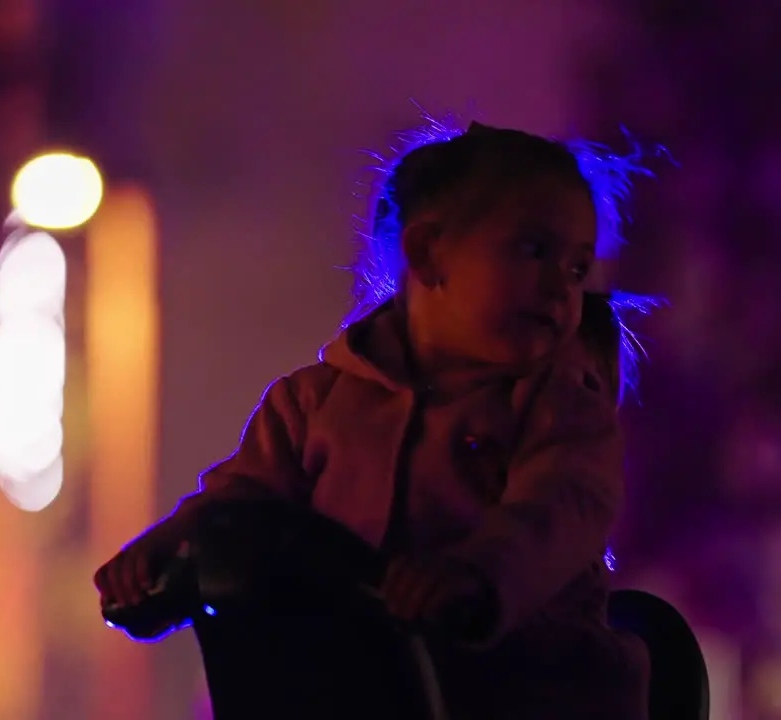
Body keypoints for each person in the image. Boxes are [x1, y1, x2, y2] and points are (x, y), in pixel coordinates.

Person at [95, 118, 659, 719]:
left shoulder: (561, 407)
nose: (560, 289)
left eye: (576, 269)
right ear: (429, 254)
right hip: (354, 688)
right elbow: (240, 501)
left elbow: (559, 507)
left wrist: (477, 573)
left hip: (524, 691)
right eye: (534, 250)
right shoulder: (312, 404)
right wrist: (162, 554)